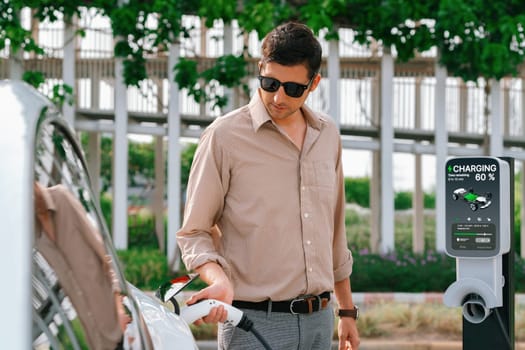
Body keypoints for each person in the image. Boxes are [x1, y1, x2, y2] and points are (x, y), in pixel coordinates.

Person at [177, 21, 360, 350]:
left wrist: (346, 311)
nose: (277, 97)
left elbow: (334, 230)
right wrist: (218, 279)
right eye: (269, 82)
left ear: (313, 83)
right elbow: (194, 232)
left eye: (293, 89)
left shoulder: (327, 135)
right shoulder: (224, 137)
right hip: (252, 322)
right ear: (260, 70)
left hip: (320, 321)